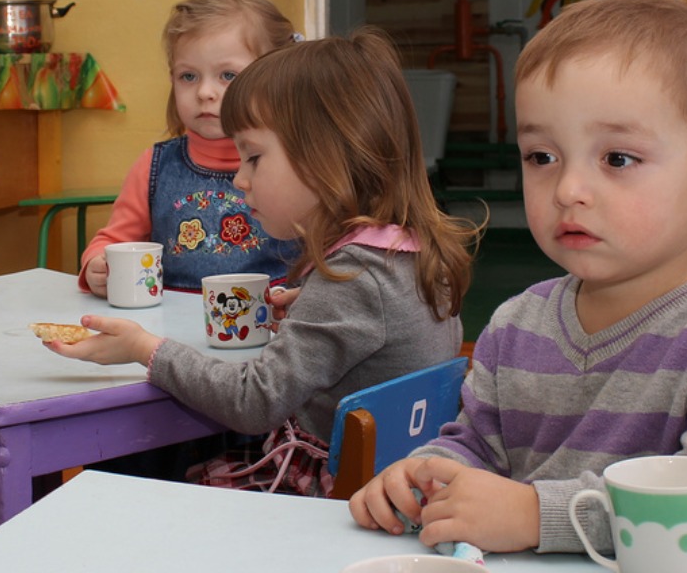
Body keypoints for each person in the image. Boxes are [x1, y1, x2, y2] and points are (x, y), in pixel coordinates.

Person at [349, 0, 687, 555]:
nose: (567, 190)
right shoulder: (516, 326)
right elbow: (476, 451)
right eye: (542, 157)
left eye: (616, 159)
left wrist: (539, 515)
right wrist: (422, 477)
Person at [49, 28, 478, 496]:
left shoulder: (355, 277)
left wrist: (146, 349)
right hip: (383, 481)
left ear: (324, 159)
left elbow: (254, 401)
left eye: (253, 158)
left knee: (131, 490)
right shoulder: (404, 254)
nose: (239, 179)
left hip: (322, 497)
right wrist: (308, 309)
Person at [79, 0, 299, 296]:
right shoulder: (154, 166)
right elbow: (113, 242)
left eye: (228, 76)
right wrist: (97, 265)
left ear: (274, 77)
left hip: (270, 324)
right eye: (189, 77)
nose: (205, 92)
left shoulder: (295, 163)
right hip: (169, 330)